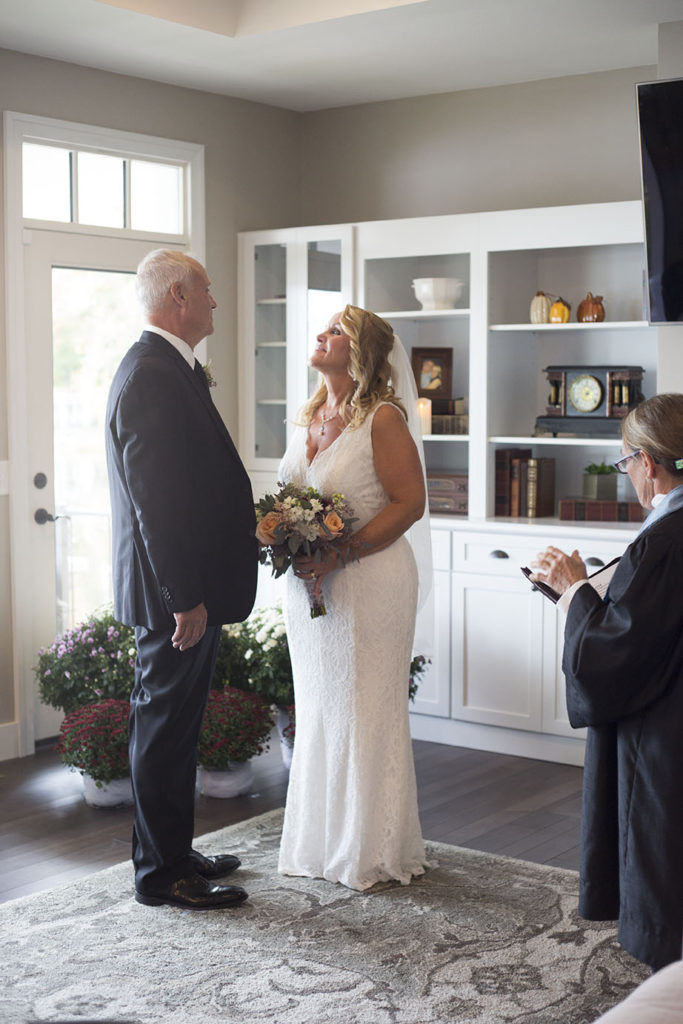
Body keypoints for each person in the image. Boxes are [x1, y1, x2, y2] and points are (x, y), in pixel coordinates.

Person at [105, 249, 258, 910]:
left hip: (189, 590)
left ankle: (172, 851)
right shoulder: (151, 373)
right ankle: (160, 875)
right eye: (207, 289)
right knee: (163, 730)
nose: (215, 302)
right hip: (175, 597)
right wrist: (183, 598)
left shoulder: (171, 368)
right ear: (178, 297)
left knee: (177, 729)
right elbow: (155, 501)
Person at [277, 303, 432, 891]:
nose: (321, 335)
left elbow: (408, 503)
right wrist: (286, 539)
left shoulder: (384, 418)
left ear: (362, 353)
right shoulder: (309, 416)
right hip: (310, 586)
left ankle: (371, 850)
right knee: (319, 708)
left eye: (336, 330)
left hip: (370, 583)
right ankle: (318, 843)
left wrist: (343, 552)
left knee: (366, 710)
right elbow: (290, 498)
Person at [530, 393, 683, 970]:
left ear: (648, 462)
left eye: (624, 465)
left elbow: (614, 655)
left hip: (662, 732)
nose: (627, 478)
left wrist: (573, 589)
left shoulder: (664, 540)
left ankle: (664, 951)